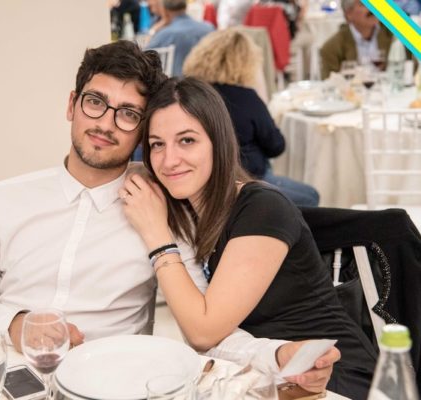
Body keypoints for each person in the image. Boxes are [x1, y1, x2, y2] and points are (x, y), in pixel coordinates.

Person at [0, 40, 337, 393]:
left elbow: (205, 329)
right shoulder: (3, 199)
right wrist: (16, 325)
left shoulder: (161, 207)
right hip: (0, 382)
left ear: (141, 133)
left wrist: (277, 355)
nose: (105, 123)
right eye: (95, 102)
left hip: (111, 384)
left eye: (128, 114)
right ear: (72, 105)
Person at [120, 77, 378, 399]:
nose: (169, 160)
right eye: (157, 144)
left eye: (187, 140)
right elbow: (206, 336)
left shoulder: (262, 209)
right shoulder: (187, 213)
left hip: (326, 376)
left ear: (219, 142)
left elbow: (202, 332)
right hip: (261, 374)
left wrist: (157, 238)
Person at [183, 28, 320, 207]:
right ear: (246, 63)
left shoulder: (193, 96)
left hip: (207, 182)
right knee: (311, 197)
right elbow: (276, 146)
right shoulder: (246, 98)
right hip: (246, 180)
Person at [320, 0, 392, 78]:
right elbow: (329, 82)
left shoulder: (392, 35)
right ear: (349, 14)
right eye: (364, 5)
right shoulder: (332, 48)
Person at [147, 0, 214, 76]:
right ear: (185, 7)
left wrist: (153, 30)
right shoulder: (209, 28)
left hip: (176, 80)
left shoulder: (165, 34)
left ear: (164, 10)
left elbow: (145, 56)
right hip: (206, 79)